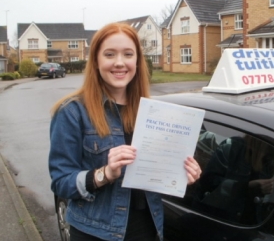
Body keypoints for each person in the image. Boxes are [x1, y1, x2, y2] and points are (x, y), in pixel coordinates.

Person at [48, 22, 202, 241]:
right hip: (95, 232)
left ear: (137, 61)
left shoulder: (154, 112)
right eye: (110, 54)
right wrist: (105, 174)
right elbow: (61, 182)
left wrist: (182, 174)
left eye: (128, 54)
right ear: (96, 61)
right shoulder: (72, 112)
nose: (119, 63)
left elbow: (157, 179)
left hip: (148, 228)